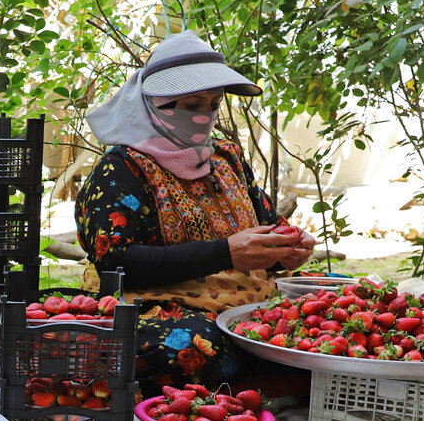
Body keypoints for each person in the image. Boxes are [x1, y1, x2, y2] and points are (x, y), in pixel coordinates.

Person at [75, 30, 316, 397]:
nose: (205, 115)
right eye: (191, 104)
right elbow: (116, 261)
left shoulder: (226, 158)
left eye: (213, 103)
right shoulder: (122, 169)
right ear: (156, 104)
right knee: (186, 349)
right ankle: (265, 379)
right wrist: (225, 253)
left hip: (244, 302)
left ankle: (258, 377)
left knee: (329, 304)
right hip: (161, 306)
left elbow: (267, 224)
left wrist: (289, 249)